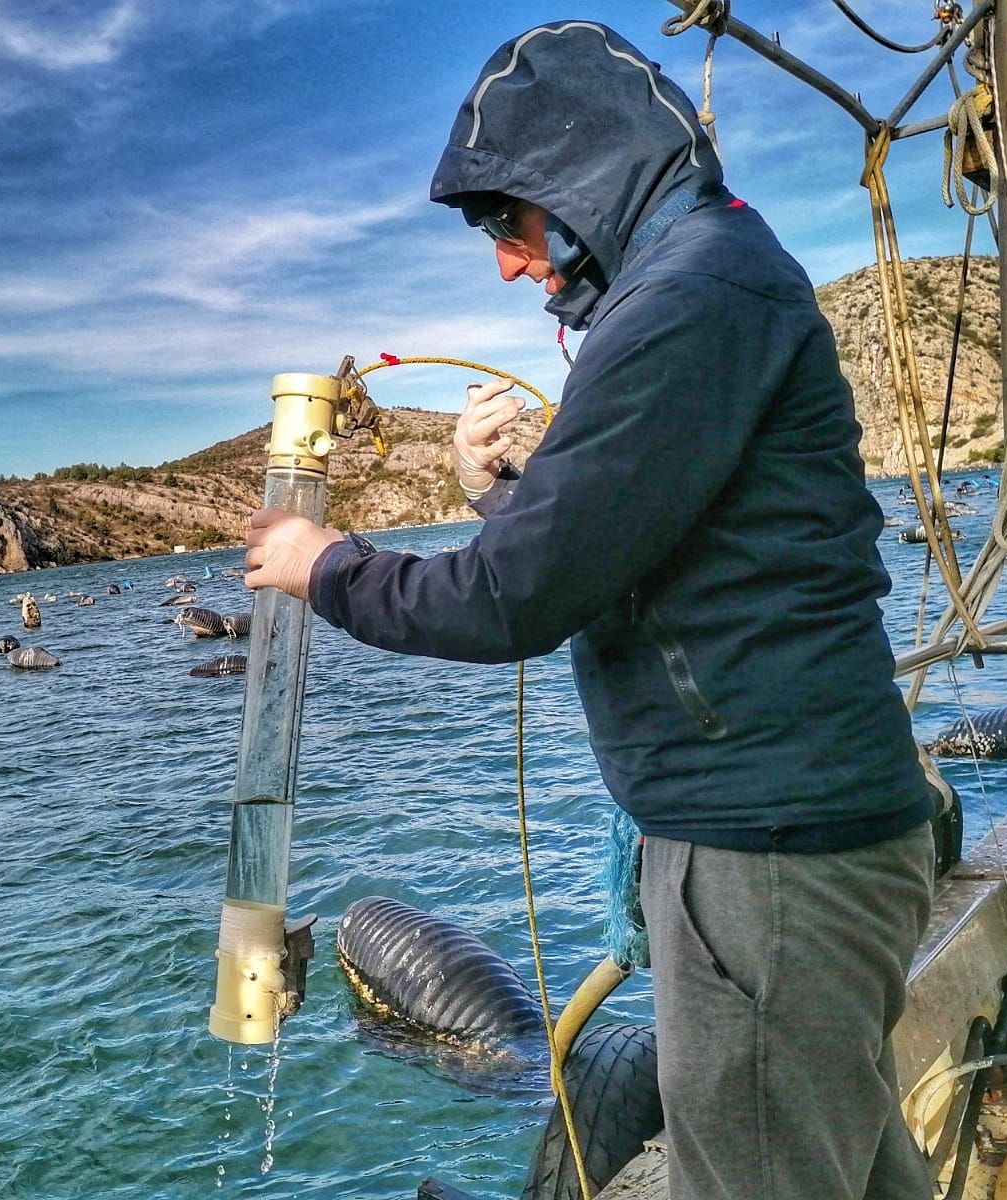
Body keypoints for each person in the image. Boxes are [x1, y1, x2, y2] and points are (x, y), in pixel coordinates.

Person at [244, 22, 936, 1200]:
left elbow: (517, 596)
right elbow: (636, 541)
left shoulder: (689, 298)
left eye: (506, 225)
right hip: (789, 829)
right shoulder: (705, 282)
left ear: (584, 174)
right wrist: (503, 492)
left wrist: (327, 566)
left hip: (765, 854)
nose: (509, 265)